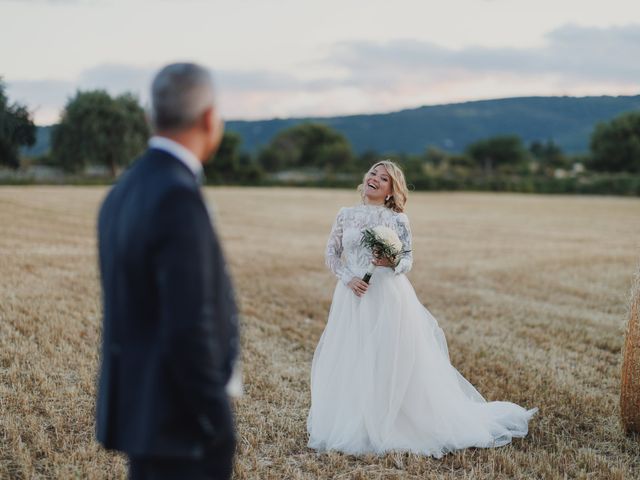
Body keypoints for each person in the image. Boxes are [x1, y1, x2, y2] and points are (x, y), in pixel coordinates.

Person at [307, 160, 537, 457]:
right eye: (373, 173)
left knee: (388, 358)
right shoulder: (345, 215)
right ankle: (355, 422)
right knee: (352, 356)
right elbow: (331, 255)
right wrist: (348, 279)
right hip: (352, 296)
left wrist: (390, 261)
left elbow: (407, 261)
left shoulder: (398, 220)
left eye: (384, 178)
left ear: (392, 191)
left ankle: (392, 421)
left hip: (387, 296)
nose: (375, 178)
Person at [96, 63, 239, 479]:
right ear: (210, 119)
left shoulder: (122, 192)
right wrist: (216, 422)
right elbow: (188, 327)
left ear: (149, 116)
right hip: (182, 426)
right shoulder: (178, 197)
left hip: (146, 419)